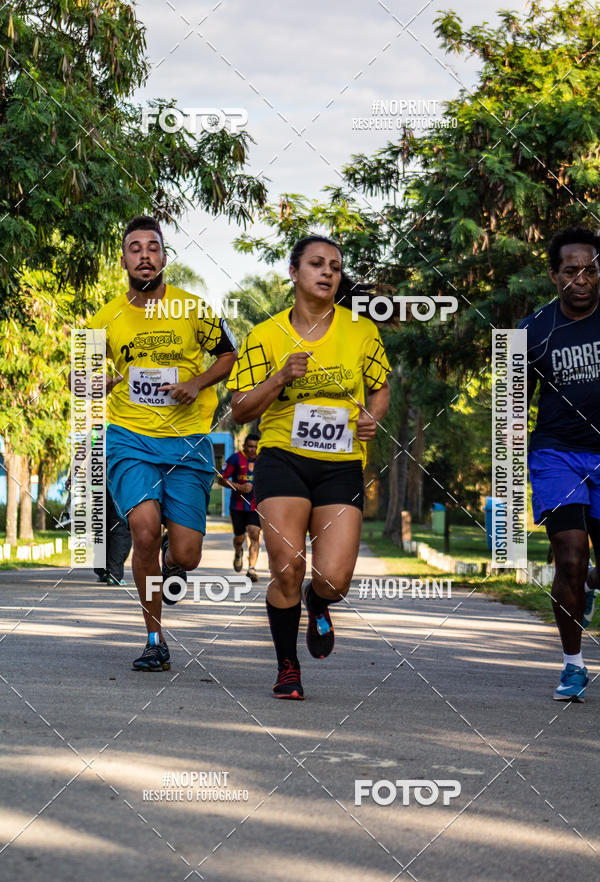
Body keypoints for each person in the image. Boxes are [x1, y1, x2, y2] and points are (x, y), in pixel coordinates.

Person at [227, 235, 390, 699]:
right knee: (286, 567)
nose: (327, 273)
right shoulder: (265, 334)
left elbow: (379, 389)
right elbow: (239, 409)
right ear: (294, 272)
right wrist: (279, 378)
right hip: (283, 457)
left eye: (335, 267)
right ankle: (287, 666)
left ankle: (319, 604)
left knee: (334, 579)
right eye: (316, 264)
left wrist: (371, 417)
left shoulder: (361, 331)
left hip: (341, 463)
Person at [82, 215, 236, 671]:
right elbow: (80, 376)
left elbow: (228, 354)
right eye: (135, 247)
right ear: (124, 259)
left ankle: (171, 556)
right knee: (144, 530)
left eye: (153, 247)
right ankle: (155, 638)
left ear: (164, 257)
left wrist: (198, 380)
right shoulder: (102, 318)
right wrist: (98, 381)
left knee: (186, 553)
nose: (144, 255)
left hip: (187, 441)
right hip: (130, 437)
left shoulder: (194, 308)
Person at [519, 225, 600, 701]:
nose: (583, 278)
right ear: (554, 275)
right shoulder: (532, 331)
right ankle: (573, 665)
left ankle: (591, 583)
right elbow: (511, 406)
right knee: (569, 554)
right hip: (557, 456)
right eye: (572, 270)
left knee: (586, 567)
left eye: (590, 269)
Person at [217, 433, 261, 582]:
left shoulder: (263, 461)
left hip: (255, 506)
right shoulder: (235, 459)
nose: (252, 450)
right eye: (250, 446)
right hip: (238, 505)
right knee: (239, 538)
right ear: (244, 446)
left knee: (254, 533)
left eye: (255, 447)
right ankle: (238, 552)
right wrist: (239, 487)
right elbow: (221, 479)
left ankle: (252, 568)